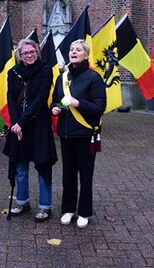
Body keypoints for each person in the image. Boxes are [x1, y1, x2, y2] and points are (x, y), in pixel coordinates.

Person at [51, 39, 106, 229]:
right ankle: (68, 209)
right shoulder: (62, 77)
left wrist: (77, 103)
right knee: (68, 174)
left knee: (85, 175)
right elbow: (56, 101)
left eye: (78, 50)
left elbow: (100, 107)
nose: (73, 52)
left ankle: (84, 212)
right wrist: (55, 109)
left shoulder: (94, 78)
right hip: (66, 134)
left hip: (85, 134)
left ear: (86, 54)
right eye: (72, 49)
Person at [4, 39, 57, 222]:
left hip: (38, 125)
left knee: (42, 166)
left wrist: (22, 122)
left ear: (37, 52)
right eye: (25, 53)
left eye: (32, 52)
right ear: (20, 55)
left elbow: (42, 98)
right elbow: (10, 97)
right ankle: (22, 202)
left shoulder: (45, 70)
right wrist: (15, 123)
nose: (29, 55)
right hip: (18, 125)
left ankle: (45, 206)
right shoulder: (13, 72)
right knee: (20, 166)